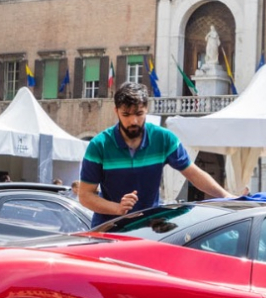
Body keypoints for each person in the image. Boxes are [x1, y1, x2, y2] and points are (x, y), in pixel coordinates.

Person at [77, 83, 231, 226]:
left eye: (139, 113)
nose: (134, 121)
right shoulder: (99, 145)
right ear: (116, 111)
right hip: (109, 229)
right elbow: (85, 195)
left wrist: (227, 197)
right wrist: (117, 208)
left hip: (149, 229)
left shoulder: (163, 138)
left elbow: (193, 173)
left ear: (146, 109)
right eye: (126, 114)